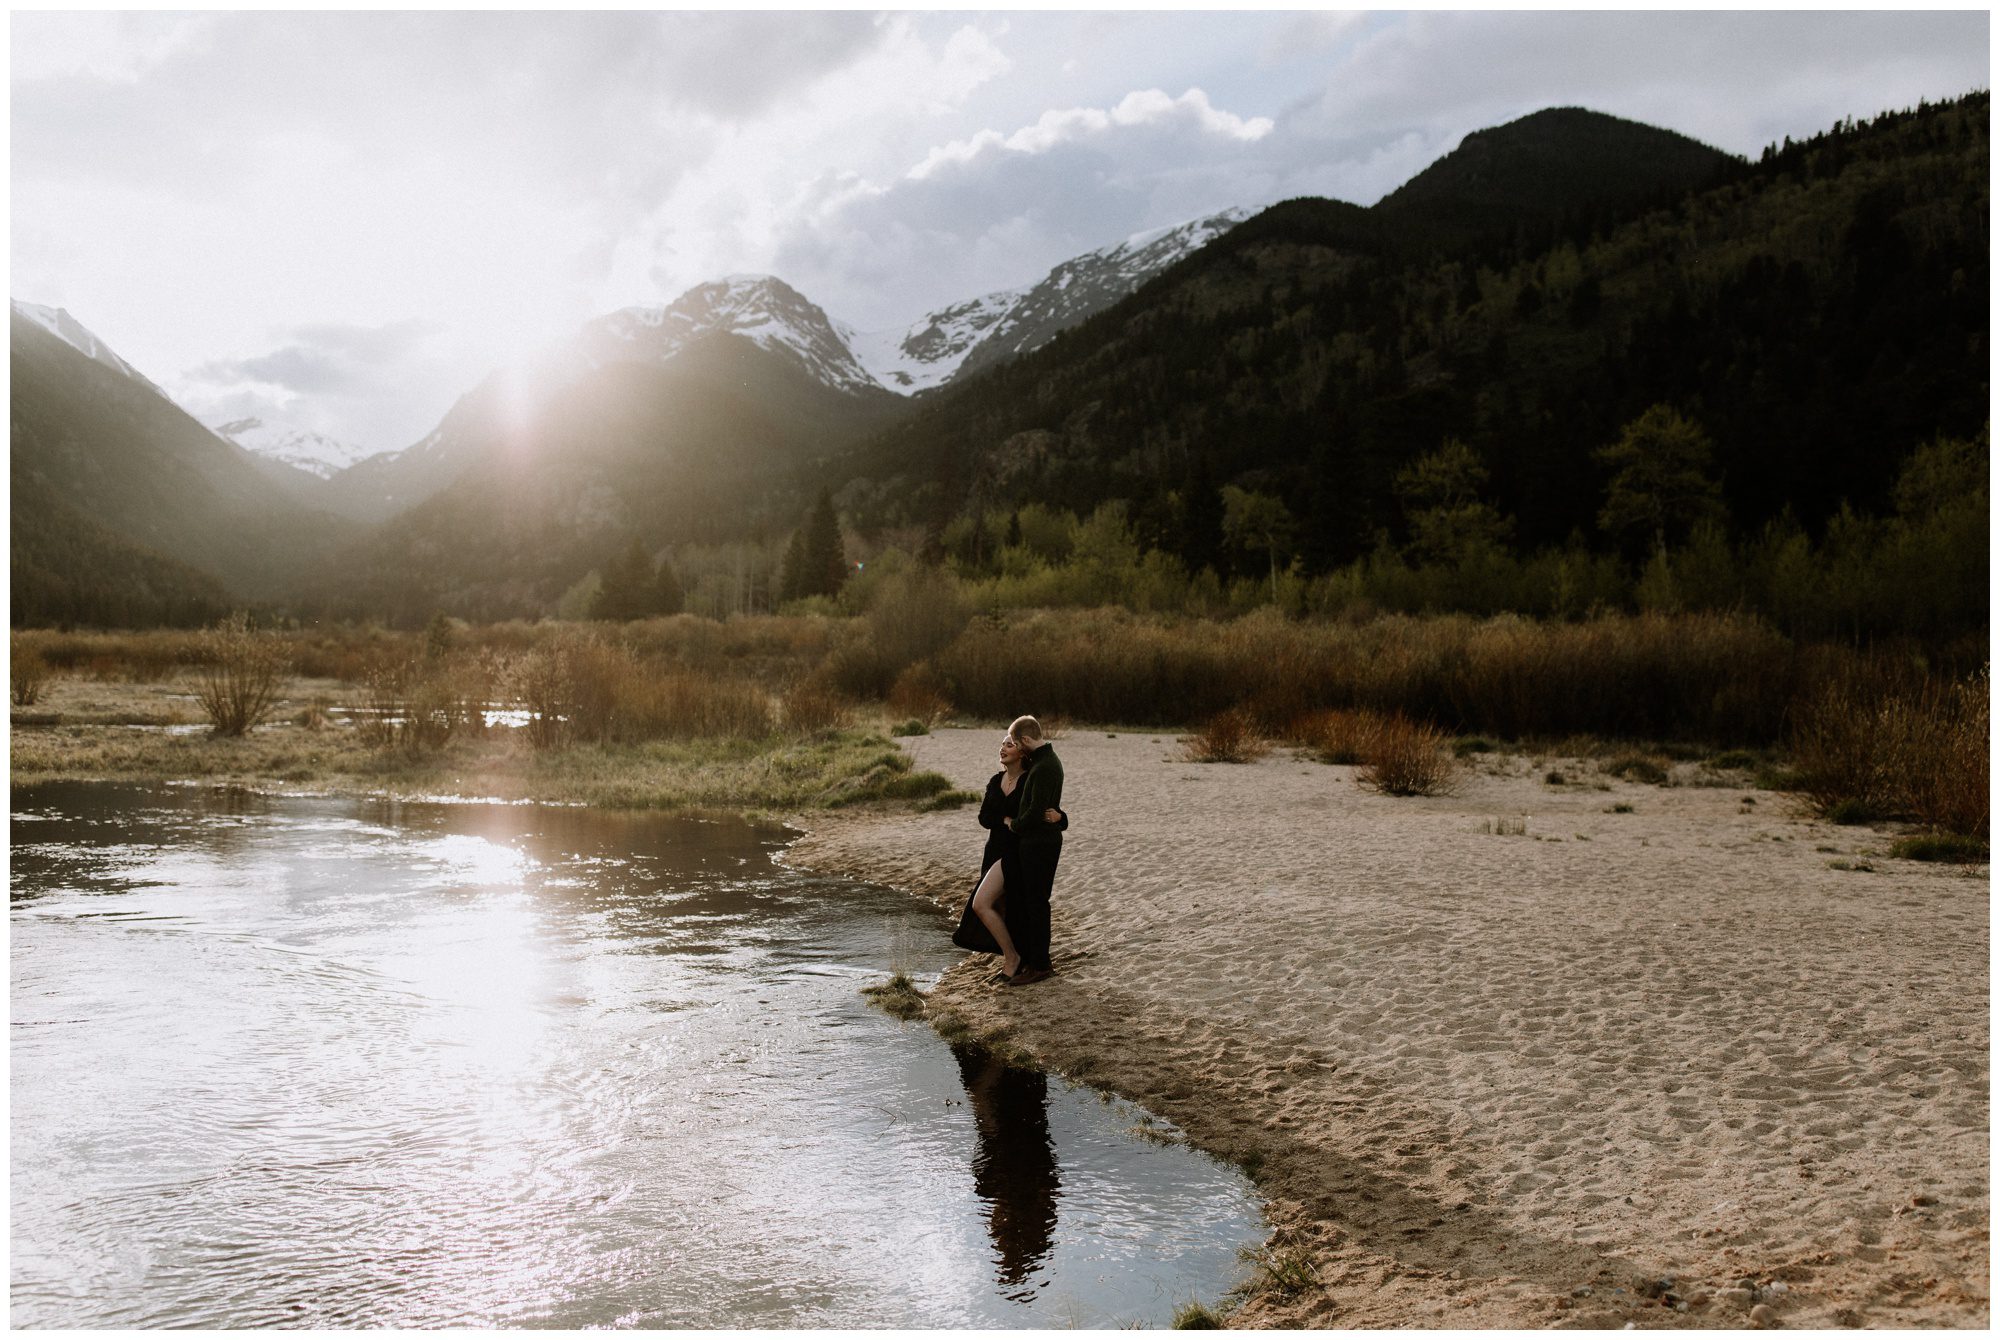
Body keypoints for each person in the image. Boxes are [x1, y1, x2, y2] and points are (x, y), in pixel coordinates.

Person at [951, 731, 1064, 981]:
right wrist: (1005, 819)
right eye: (1002, 744)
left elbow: (1045, 813)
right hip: (993, 851)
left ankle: (1013, 958)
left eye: (1009, 744)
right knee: (1004, 908)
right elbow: (984, 818)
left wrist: (1061, 818)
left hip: (1014, 852)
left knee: (981, 904)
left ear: (1021, 752)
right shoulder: (996, 780)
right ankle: (1016, 959)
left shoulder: (1029, 780)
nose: (1003, 748)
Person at [1001, 715, 1063, 987]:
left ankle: (1040, 966)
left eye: (1016, 742)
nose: (1015, 747)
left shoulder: (1047, 766)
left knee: (1037, 904)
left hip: (1040, 844)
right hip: (1036, 842)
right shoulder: (1041, 762)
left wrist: (1014, 824)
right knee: (1031, 903)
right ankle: (1033, 960)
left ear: (1026, 740)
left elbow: (1037, 810)